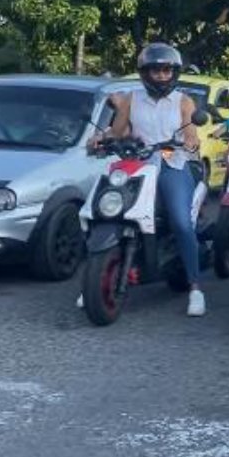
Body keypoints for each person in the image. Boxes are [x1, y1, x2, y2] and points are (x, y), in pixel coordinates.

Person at [95, 43, 205, 316]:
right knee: (108, 210)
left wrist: (189, 143)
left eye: (166, 70)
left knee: (181, 222)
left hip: (171, 163)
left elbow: (191, 135)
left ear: (174, 73)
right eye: (155, 71)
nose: (161, 76)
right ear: (145, 73)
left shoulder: (184, 101)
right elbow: (118, 131)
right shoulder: (131, 99)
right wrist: (102, 139)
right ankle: (94, 282)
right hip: (138, 164)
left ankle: (195, 288)